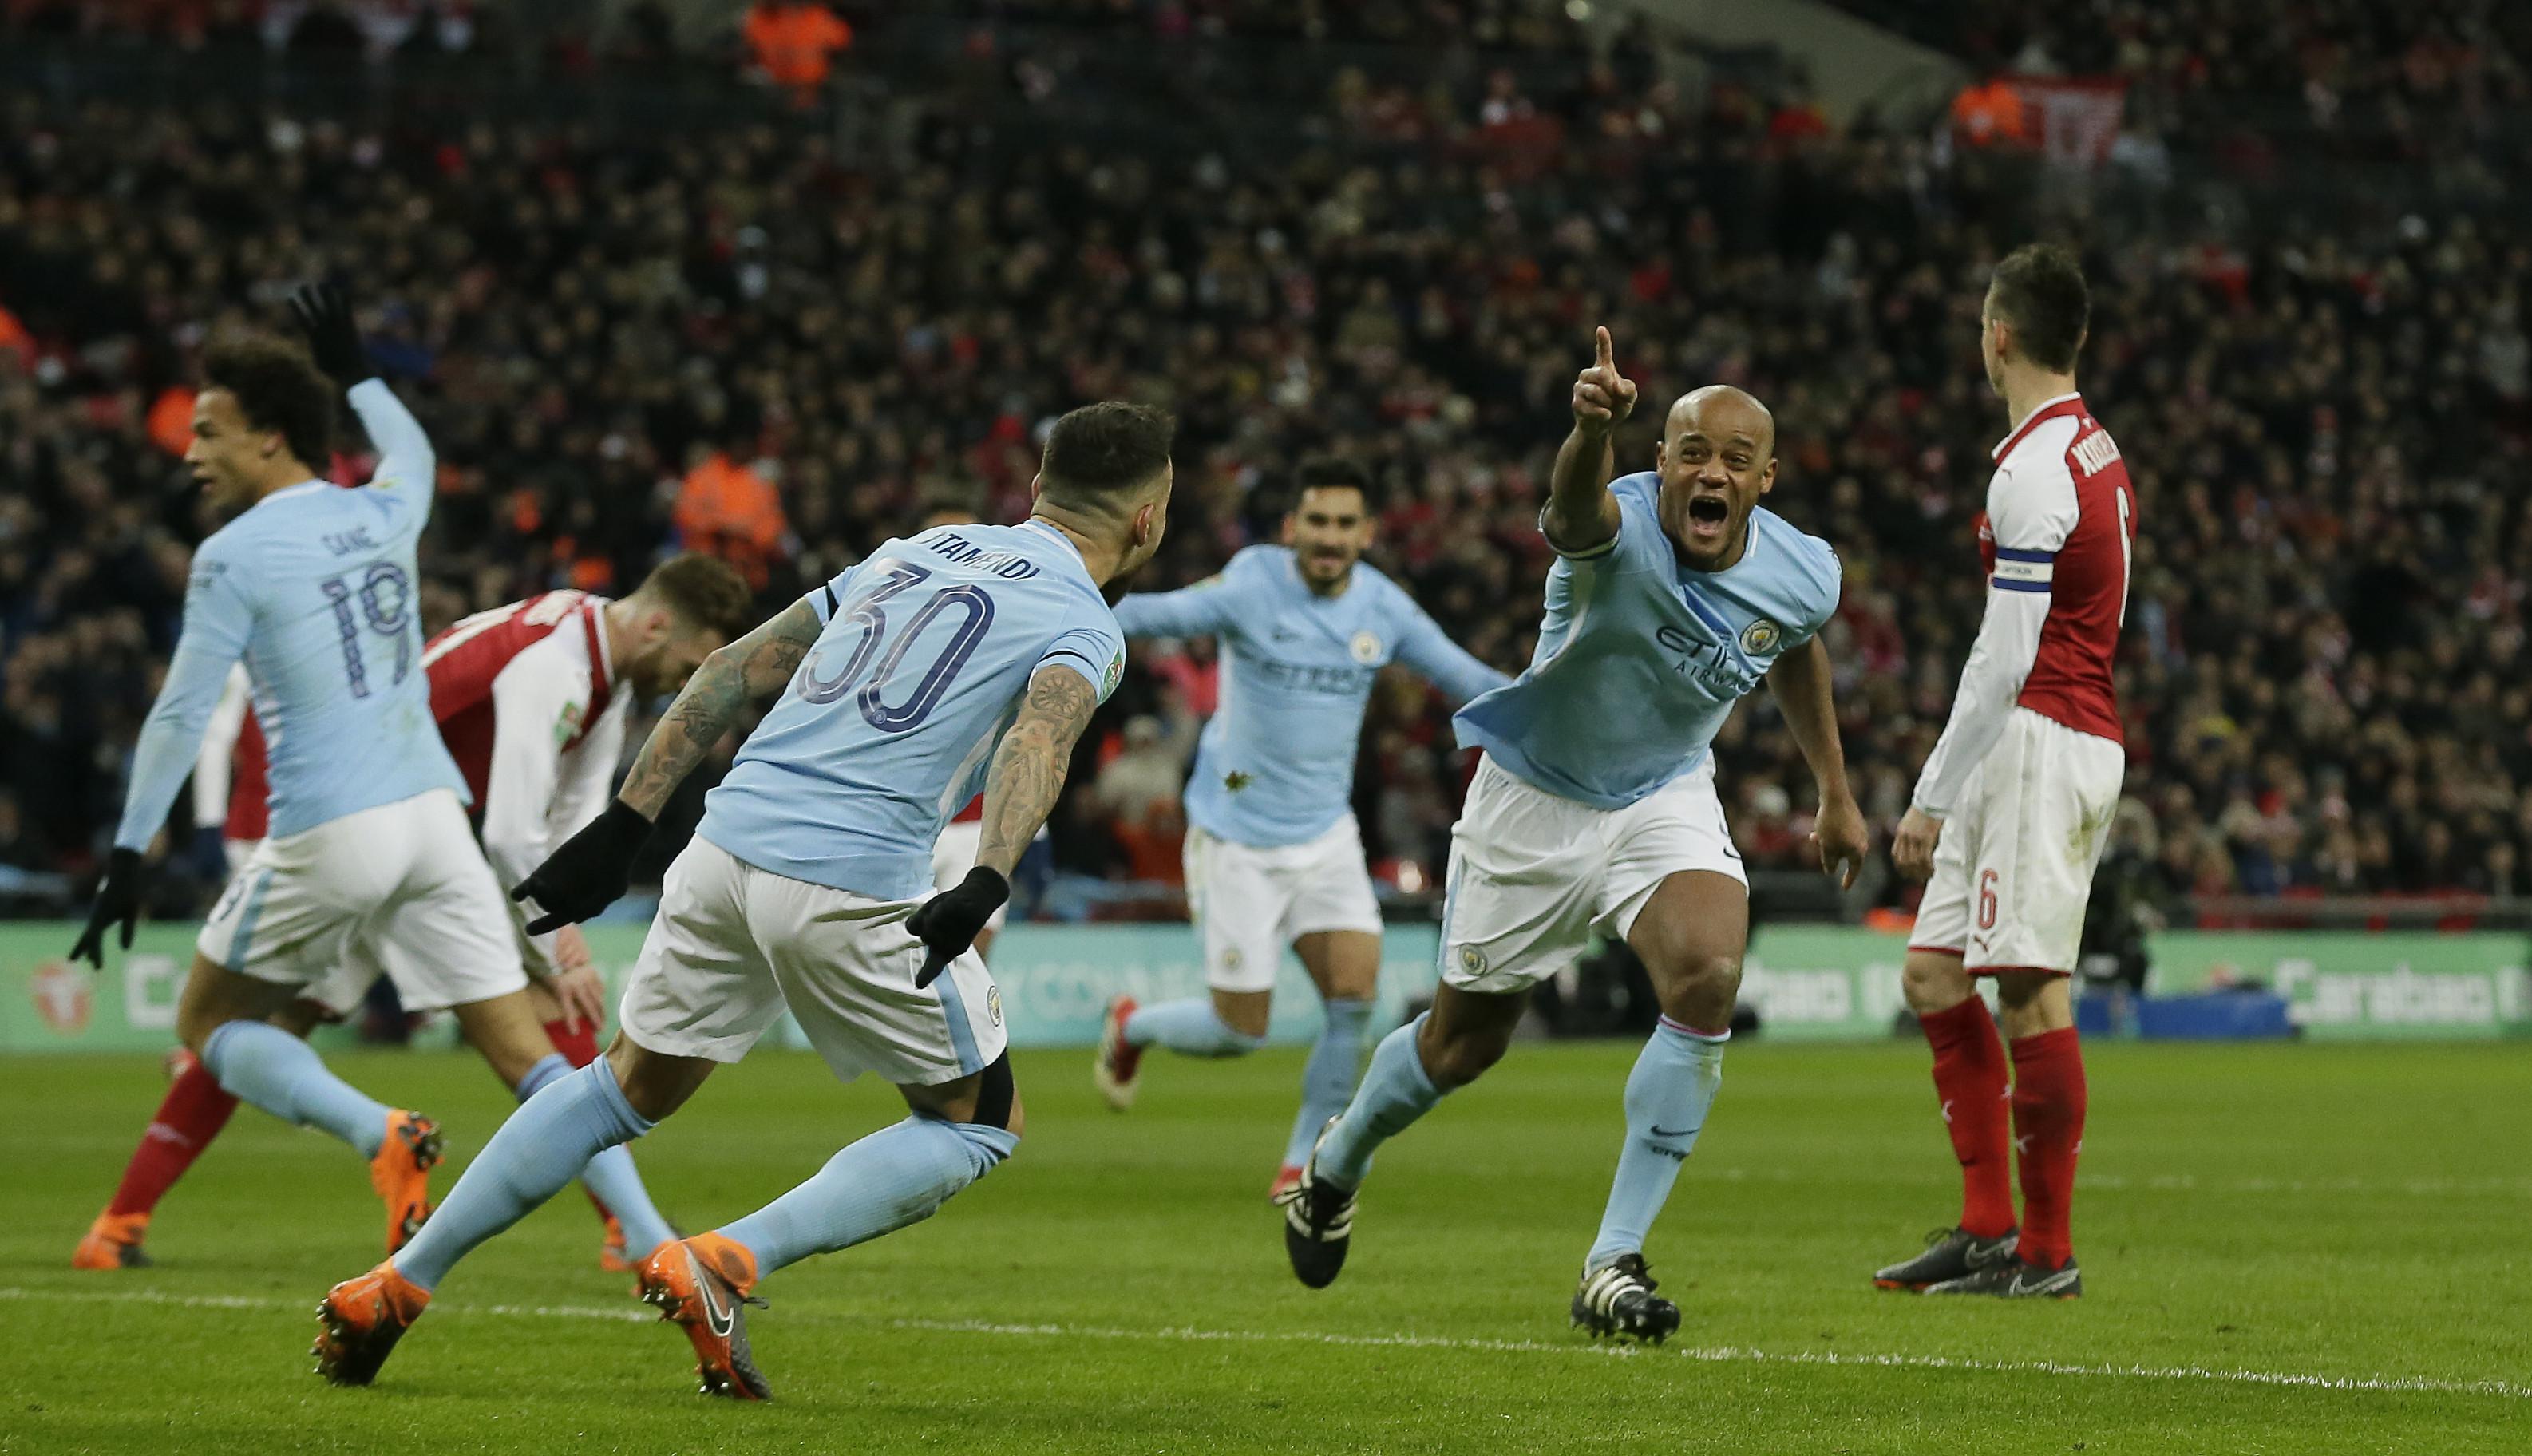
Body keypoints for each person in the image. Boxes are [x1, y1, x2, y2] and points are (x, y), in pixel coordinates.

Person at [309, 402, 1177, 1400]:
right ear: (1147, 521)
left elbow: (729, 670)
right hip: (854, 878)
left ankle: (396, 1285)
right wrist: (987, 872)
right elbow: (1040, 740)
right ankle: (722, 1260)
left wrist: (623, 828)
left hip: (722, 847)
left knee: (618, 1088)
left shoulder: (910, 553)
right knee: (980, 1120)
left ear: (1034, 490)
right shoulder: (1082, 619)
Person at [1275, 328, 1869, 1343]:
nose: (1709, 471)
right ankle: (1334, 1167)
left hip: (1662, 793)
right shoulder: (1617, 525)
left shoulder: (1807, 572)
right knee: (1463, 1047)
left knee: (1708, 974)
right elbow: (1571, 508)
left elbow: (1795, 647)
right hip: (1534, 801)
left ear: (1766, 478)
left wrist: (1834, 788)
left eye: (1734, 458)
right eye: (1689, 451)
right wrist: (1590, 428)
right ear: (1660, 462)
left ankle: (1612, 1260)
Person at [69, 286, 674, 1267]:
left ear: (269, 440)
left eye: (210, 432)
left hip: (330, 826)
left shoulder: (230, 554)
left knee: (211, 1020)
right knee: (528, 1058)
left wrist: (132, 848)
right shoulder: (386, 510)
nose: (191, 454)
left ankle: (376, 1133)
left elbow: (181, 711)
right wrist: (359, 373)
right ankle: (655, 1243)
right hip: (436, 820)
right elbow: (419, 452)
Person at [75, 556, 746, 1272]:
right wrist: (561, 949)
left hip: (408, 821)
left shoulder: (597, 657)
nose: (692, 680)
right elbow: (515, 834)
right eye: (693, 660)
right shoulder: (554, 666)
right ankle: (633, 1231)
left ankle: (120, 1225)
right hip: (384, 817)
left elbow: (573, 825)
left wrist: (565, 936)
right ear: (655, 624)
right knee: (534, 1029)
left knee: (255, 1027)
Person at [1091, 457, 1506, 1199]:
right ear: (1291, 529)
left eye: (1346, 525)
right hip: (1236, 836)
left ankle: (1303, 1161)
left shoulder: (1384, 609)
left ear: (1368, 533)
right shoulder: (1254, 583)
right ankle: (1134, 1025)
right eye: (1317, 521)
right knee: (1238, 1032)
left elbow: (1470, 681)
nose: (1330, 537)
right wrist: (1054, 600)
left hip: (1325, 839)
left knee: (1353, 1000)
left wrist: (1560, 709)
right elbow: (1155, 615)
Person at [1878, 243, 2133, 1300]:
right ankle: (1989, 1227)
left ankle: (2047, 1253)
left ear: (1998, 335)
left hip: (2040, 736)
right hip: (2026, 740)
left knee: (2028, 991)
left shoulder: (2032, 470)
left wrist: (1929, 793)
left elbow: (2007, 650)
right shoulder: (2087, 449)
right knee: (1934, 974)